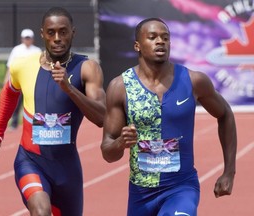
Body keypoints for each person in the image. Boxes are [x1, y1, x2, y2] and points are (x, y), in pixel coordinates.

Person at [100, 18, 237, 216]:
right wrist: (121, 142)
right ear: (137, 45)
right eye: (153, 37)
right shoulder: (120, 87)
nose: (160, 42)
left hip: (181, 188)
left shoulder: (193, 80)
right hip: (141, 195)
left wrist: (229, 171)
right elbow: (107, 152)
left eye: (165, 37)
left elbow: (225, 114)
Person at [0, 7, 105, 216]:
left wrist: (69, 88)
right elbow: (9, 95)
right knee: (41, 211)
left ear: (72, 33)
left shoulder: (87, 68)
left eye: (63, 32)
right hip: (31, 161)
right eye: (51, 32)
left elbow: (101, 117)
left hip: (67, 169)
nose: (57, 38)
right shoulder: (23, 65)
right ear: (42, 34)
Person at [5, 28, 42, 129]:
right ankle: (14, 123)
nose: (27, 40)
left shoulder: (37, 51)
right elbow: (10, 66)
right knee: (16, 103)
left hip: (31, 82)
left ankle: (35, 123)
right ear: (22, 39)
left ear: (32, 39)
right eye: (25, 38)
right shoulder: (17, 50)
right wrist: (6, 80)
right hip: (18, 81)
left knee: (33, 103)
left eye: (29, 38)